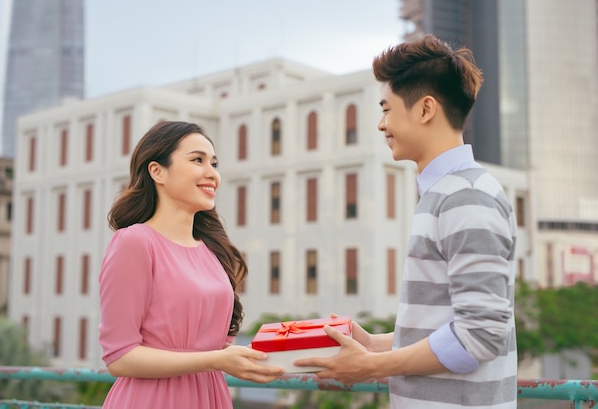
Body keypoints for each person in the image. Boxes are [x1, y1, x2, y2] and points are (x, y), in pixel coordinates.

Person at [295, 34, 517, 408]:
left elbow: (480, 335)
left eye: (386, 109)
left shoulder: (467, 197)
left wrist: (372, 365)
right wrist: (373, 343)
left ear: (426, 109)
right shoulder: (447, 193)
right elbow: (449, 326)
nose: (382, 125)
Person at [98, 121, 284, 408]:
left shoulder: (212, 250)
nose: (212, 174)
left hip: (210, 397)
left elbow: (212, 345)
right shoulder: (134, 242)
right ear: (157, 171)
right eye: (197, 160)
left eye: (214, 163)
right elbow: (120, 358)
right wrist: (216, 359)